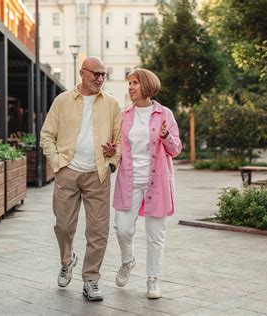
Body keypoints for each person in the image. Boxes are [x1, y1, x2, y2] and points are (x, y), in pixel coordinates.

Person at [40, 57, 122, 301]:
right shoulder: (62, 101)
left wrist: (111, 159)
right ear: (82, 73)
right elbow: (46, 135)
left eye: (103, 75)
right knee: (63, 225)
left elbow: (119, 141)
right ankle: (67, 261)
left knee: (98, 231)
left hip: (98, 174)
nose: (99, 78)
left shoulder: (112, 104)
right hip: (68, 172)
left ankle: (91, 279)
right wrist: (57, 164)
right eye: (95, 74)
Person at [113, 68, 181, 299]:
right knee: (122, 229)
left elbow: (176, 149)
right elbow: (117, 148)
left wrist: (165, 137)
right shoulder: (124, 116)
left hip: (157, 182)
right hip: (129, 181)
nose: (130, 87)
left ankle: (153, 279)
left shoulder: (165, 114)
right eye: (129, 83)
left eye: (135, 83)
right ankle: (128, 261)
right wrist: (112, 151)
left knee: (155, 235)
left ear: (147, 86)